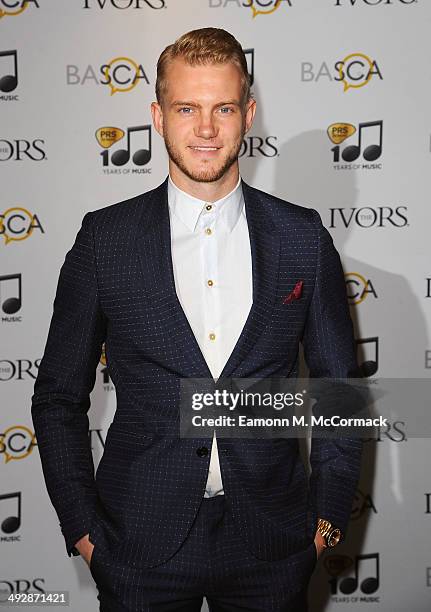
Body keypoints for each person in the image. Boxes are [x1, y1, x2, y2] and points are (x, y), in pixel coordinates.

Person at [31, 27, 363, 612]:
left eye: (223, 108)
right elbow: (58, 394)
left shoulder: (302, 237)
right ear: (158, 116)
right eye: (187, 108)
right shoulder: (104, 241)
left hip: (273, 546)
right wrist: (84, 531)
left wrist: (327, 524)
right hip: (137, 545)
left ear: (248, 115)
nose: (206, 129)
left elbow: (340, 394)